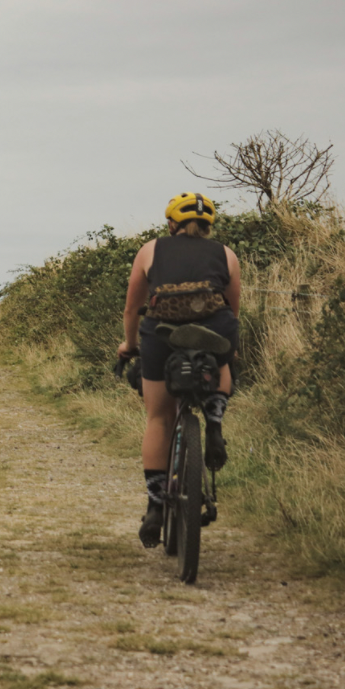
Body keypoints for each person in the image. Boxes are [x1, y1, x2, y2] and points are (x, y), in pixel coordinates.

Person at [117, 193, 240, 548]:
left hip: (161, 335)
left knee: (159, 418)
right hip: (214, 330)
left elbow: (131, 309)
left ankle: (155, 505)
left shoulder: (150, 250)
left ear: (171, 224)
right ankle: (214, 421)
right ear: (208, 225)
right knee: (223, 358)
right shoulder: (227, 254)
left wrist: (130, 347)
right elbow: (233, 309)